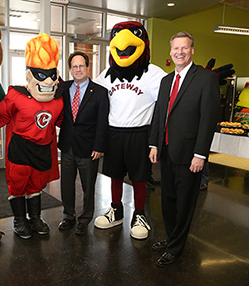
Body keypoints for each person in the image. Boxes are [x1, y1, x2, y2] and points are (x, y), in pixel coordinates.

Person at [149, 32, 220, 267]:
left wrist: (200, 154)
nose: (179, 52)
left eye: (184, 48)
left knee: (184, 202)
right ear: (170, 51)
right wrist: (154, 144)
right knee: (167, 199)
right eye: (175, 48)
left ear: (192, 50)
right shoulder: (166, 81)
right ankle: (171, 238)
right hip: (167, 150)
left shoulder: (206, 78)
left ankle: (176, 248)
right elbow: (160, 114)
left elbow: (208, 119)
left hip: (190, 155)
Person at [94, 21, 166, 240]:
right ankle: (116, 210)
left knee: (139, 177)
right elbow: (92, 95)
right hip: (114, 133)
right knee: (115, 175)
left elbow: (172, 96)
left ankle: (140, 214)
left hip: (140, 133)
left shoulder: (154, 73)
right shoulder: (106, 74)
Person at [0, 33, 63, 239]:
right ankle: (19, 220)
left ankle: (35, 218)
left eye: (51, 74)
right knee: (18, 184)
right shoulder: (17, 95)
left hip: (42, 149)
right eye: (41, 74)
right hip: (20, 148)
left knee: (37, 185)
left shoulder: (58, 99)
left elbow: (65, 122)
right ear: (30, 75)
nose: (48, 79)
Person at [57, 51, 109, 235]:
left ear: (87, 67)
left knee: (88, 186)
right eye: (74, 66)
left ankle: (85, 218)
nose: (78, 69)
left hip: (89, 148)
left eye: (81, 66)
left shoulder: (100, 92)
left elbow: (103, 122)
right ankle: (68, 216)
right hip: (67, 145)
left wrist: (99, 146)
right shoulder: (62, 88)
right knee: (66, 184)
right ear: (70, 69)